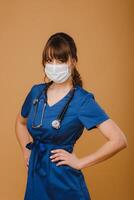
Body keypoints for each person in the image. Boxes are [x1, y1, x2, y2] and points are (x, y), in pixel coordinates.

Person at [15, 32, 128, 200]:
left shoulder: (82, 100)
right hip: (36, 177)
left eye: (60, 61)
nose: (54, 66)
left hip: (64, 180)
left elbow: (119, 140)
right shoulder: (36, 93)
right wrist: (26, 152)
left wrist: (80, 162)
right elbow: (20, 122)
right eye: (49, 60)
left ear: (73, 61)